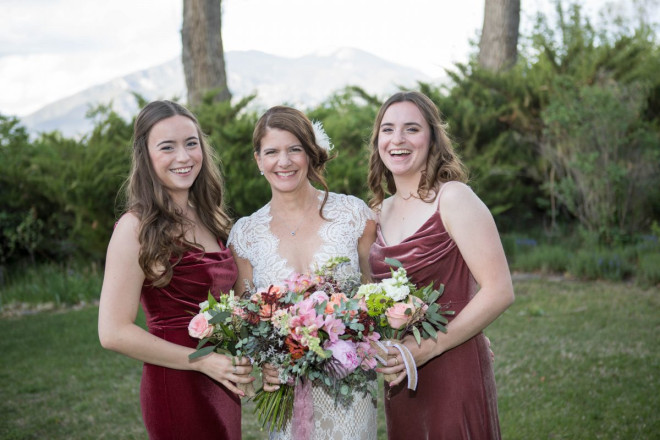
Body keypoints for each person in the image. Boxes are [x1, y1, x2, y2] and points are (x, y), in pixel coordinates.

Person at [98, 100, 254, 440]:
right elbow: (112, 332)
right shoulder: (135, 227)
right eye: (167, 147)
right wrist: (200, 360)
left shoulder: (210, 217)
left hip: (220, 379)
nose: (183, 157)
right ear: (146, 155)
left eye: (191, 143)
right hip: (177, 381)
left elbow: (234, 303)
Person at [368, 91, 515, 439]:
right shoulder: (375, 213)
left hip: (453, 364)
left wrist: (429, 347)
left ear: (433, 138)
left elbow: (499, 290)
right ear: (377, 142)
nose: (398, 139)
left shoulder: (454, 198)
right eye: (388, 130)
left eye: (411, 129)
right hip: (401, 372)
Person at [228, 105, 378, 440]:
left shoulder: (354, 215)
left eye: (294, 149)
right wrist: (261, 360)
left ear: (310, 154)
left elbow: (376, 295)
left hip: (349, 390)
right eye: (272, 152)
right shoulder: (246, 234)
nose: (284, 162)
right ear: (258, 160)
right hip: (284, 391)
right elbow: (243, 316)